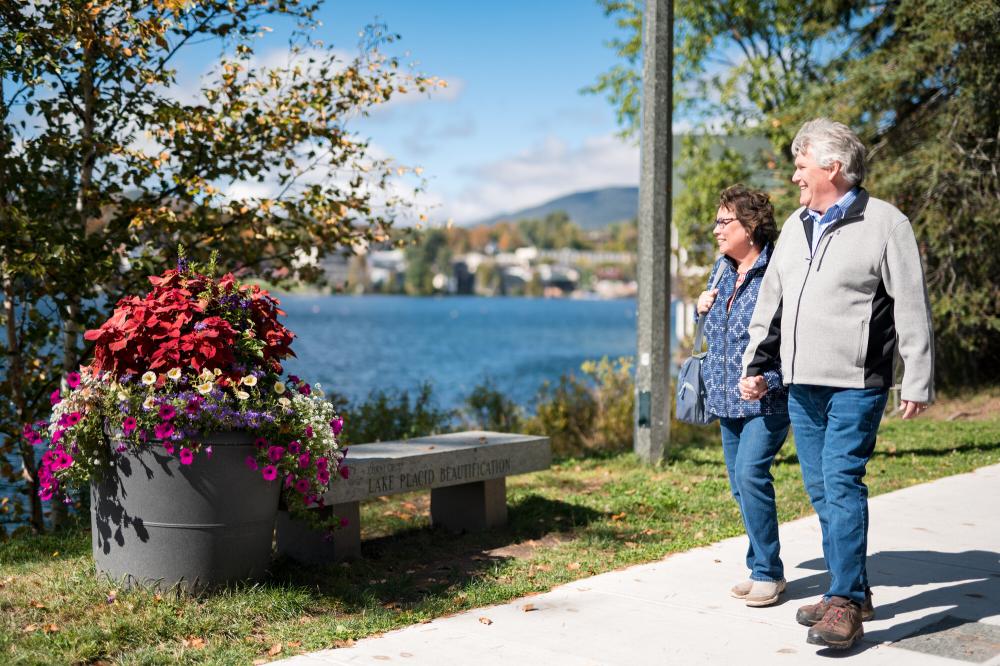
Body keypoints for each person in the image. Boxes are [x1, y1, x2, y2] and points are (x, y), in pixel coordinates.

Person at [740, 118, 934, 650]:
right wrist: (757, 366)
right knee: (823, 488)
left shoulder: (886, 223)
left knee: (842, 482)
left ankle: (844, 602)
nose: (795, 173)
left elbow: (911, 307)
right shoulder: (796, 226)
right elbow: (770, 303)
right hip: (802, 383)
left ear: (833, 167)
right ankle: (853, 588)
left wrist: (916, 377)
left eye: (802, 163)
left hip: (857, 382)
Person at [696, 185, 789, 608]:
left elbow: (794, 341)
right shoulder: (720, 270)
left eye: (724, 221)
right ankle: (760, 567)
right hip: (727, 399)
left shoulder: (777, 273)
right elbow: (719, 339)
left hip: (766, 399)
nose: (716, 229)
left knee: (751, 476)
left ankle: (769, 572)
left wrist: (769, 379)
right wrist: (703, 309)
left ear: (750, 226)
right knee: (739, 486)